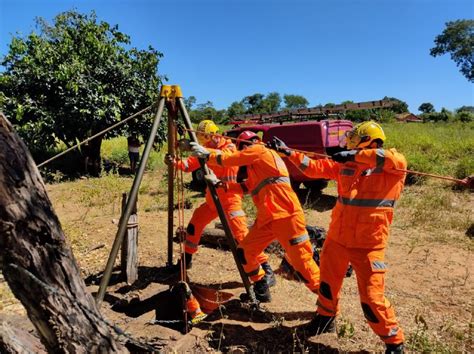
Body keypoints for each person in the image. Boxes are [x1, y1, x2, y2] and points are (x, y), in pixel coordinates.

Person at [272, 121, 406, 353]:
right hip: (337, 239)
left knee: (373, 300)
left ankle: (394, 343)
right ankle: (325, 318)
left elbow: (394, 159)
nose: (351, 143)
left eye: (356, 139)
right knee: (327, 283)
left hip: (369, 245)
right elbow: (314, 168)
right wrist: (289, 153)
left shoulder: (393, 167)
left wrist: (359, 155)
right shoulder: (348, 165)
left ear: (371, 141)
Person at [190, 130, 320, 303]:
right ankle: (261, 288)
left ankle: (328, 306)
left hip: (287, 216)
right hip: (268, 218)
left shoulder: (259, 150)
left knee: (303, 264)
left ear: (245, 145)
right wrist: (221, 184)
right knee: (245, 252)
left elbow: (230, 159)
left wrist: (207, 154)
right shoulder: (258, 166)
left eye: (242, 149)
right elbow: (246, 188)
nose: (243, 153)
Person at [165, 120, 275, 287]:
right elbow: (188, 165)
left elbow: (224, 158)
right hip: (213, 200)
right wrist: (174, 162)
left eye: (208, 140)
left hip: (230, 200)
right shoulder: (207, 149)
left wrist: (203, 151)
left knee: (242, 236)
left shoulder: (229, 148)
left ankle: (266, 269)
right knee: (195, 224)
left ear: (214, 135)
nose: (207, 143)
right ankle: (185, 261)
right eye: (205, 142)